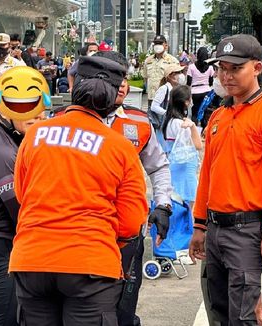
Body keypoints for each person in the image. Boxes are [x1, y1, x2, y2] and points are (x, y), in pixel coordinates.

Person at [9, 55, 148, 325]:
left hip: (32, 259)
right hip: (91, 264)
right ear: (112, 98)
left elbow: (22, 194)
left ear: (73, 85)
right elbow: (132, 222)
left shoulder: (35, 135)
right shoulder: (119, 147)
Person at [189, 34, 262, 325]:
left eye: (236, 68)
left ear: (257, 68)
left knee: (245, 317)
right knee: (218, 313)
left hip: (247, 230)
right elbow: (207, 175)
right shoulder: (218, 116)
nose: (227, 75)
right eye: (222, 67)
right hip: (214, 228)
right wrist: (199, 225)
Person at [93, 51, 173, 326]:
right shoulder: (69, 121)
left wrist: (163, 205)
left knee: (124, 311)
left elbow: (159, 167)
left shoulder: (139, 122)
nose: (123, 84)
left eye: (124, 77)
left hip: (127, 236)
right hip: (84, 235)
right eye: (115, 78)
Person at [0, 66, 47, 326]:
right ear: (3, 109)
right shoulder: (0, 150)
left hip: (12, 250)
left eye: (38, 108)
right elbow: (21, 208)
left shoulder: (13, 139)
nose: (35, 116)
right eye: (24, 109)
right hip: (0, 254)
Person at [161, 85, 203, 210]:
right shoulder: (182, 124)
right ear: (186, 102)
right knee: (187, 204)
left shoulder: (169, 121)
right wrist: (193, 127)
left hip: (173, 165)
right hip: (184, 168)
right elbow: (197, 145)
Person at [148, 63, 186, 147]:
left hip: (170, 124)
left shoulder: (175, 88)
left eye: (180, 72)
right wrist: (168, 113)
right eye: (178, 73)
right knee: (162, 147)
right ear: (170, 76)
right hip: (162, 125)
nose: (180, 75)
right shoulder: (164, 89)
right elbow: (154, 106)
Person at [141, 35, 179, 109]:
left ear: (166, 45)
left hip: (166, 98)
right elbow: (145, 78)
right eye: (156, 43)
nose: (157, 46)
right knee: (151, 119)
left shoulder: (172, 61)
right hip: (151, 98)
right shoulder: (148, 60)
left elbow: (177, 81)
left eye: (160, 43)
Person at [186, 47, 215, 125]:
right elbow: (211, 82)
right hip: (206, 91)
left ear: (197, 55)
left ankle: (194, 129)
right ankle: (204, 130)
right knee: (205, 112)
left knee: (195, 112)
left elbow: (188, 82)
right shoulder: (210, 67)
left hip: (195, 92)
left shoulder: (191, 67)